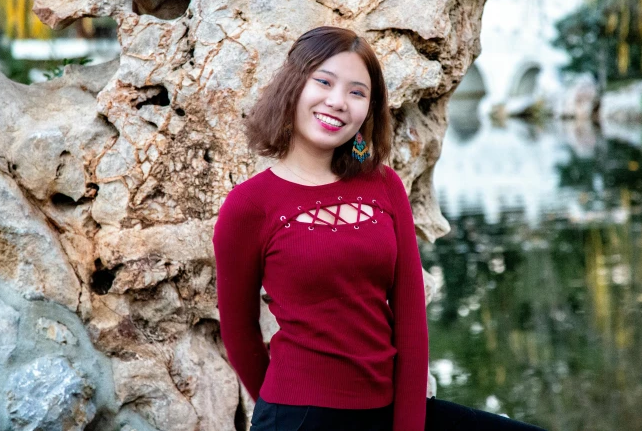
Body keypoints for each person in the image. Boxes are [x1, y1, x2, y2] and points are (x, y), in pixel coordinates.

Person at [212, 26, 547, 431]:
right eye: (324, 82)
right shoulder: (249, 205)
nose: (337, 102)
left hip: (393, 410)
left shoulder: (384, 186)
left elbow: (410, 320)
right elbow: (238, 330)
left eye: (357, 92)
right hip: (299, 416)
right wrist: (286, 404)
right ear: (294, 87)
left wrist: (407, 424)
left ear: (369, 110)